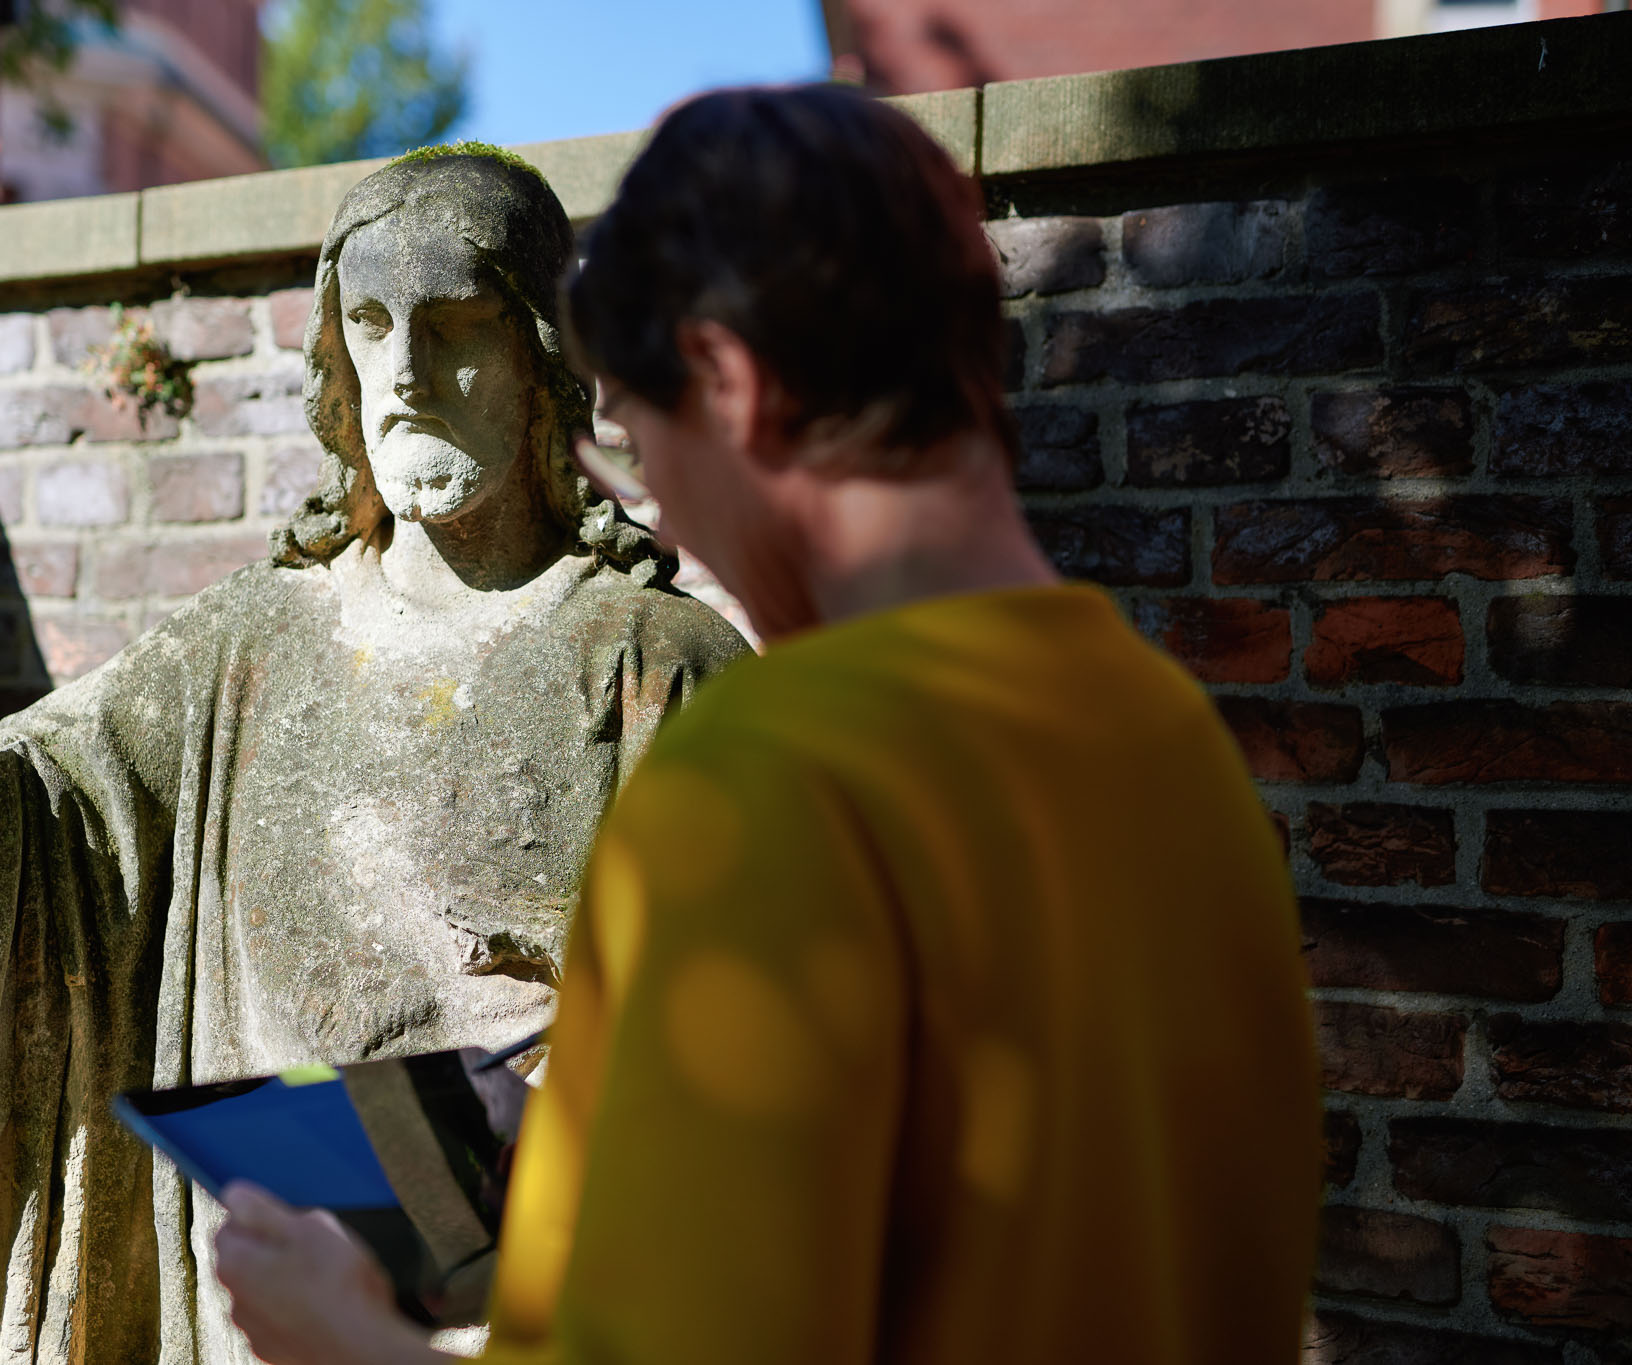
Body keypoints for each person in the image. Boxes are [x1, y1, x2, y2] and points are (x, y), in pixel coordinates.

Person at [212, 85, 1320, 1365]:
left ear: (732, 386)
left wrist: (346, 1338)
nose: (655, 514)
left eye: (641, 436)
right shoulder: (1171, 740)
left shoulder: (766, 788)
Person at [0, 149, 745, 1365]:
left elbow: (744, 1048)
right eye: (368, 324)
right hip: (256, 1289)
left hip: (539, 1302)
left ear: (543, 360)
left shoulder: (656, 662)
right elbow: (54, 794)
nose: (405, 371)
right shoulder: (250, 641)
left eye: (455, 325)